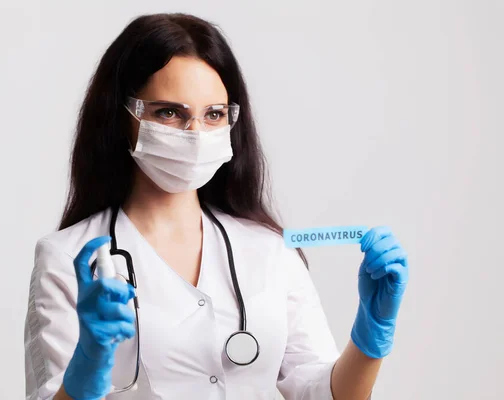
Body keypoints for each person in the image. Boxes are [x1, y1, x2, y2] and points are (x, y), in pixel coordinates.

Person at [24, 12, 409, 400]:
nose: (196, 134)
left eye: (213, 114)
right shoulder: (68, 258)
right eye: (169, 113)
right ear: (123, 116)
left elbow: (323, 393)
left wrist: (370, 336)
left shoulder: (269, 249)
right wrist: (87, 366)